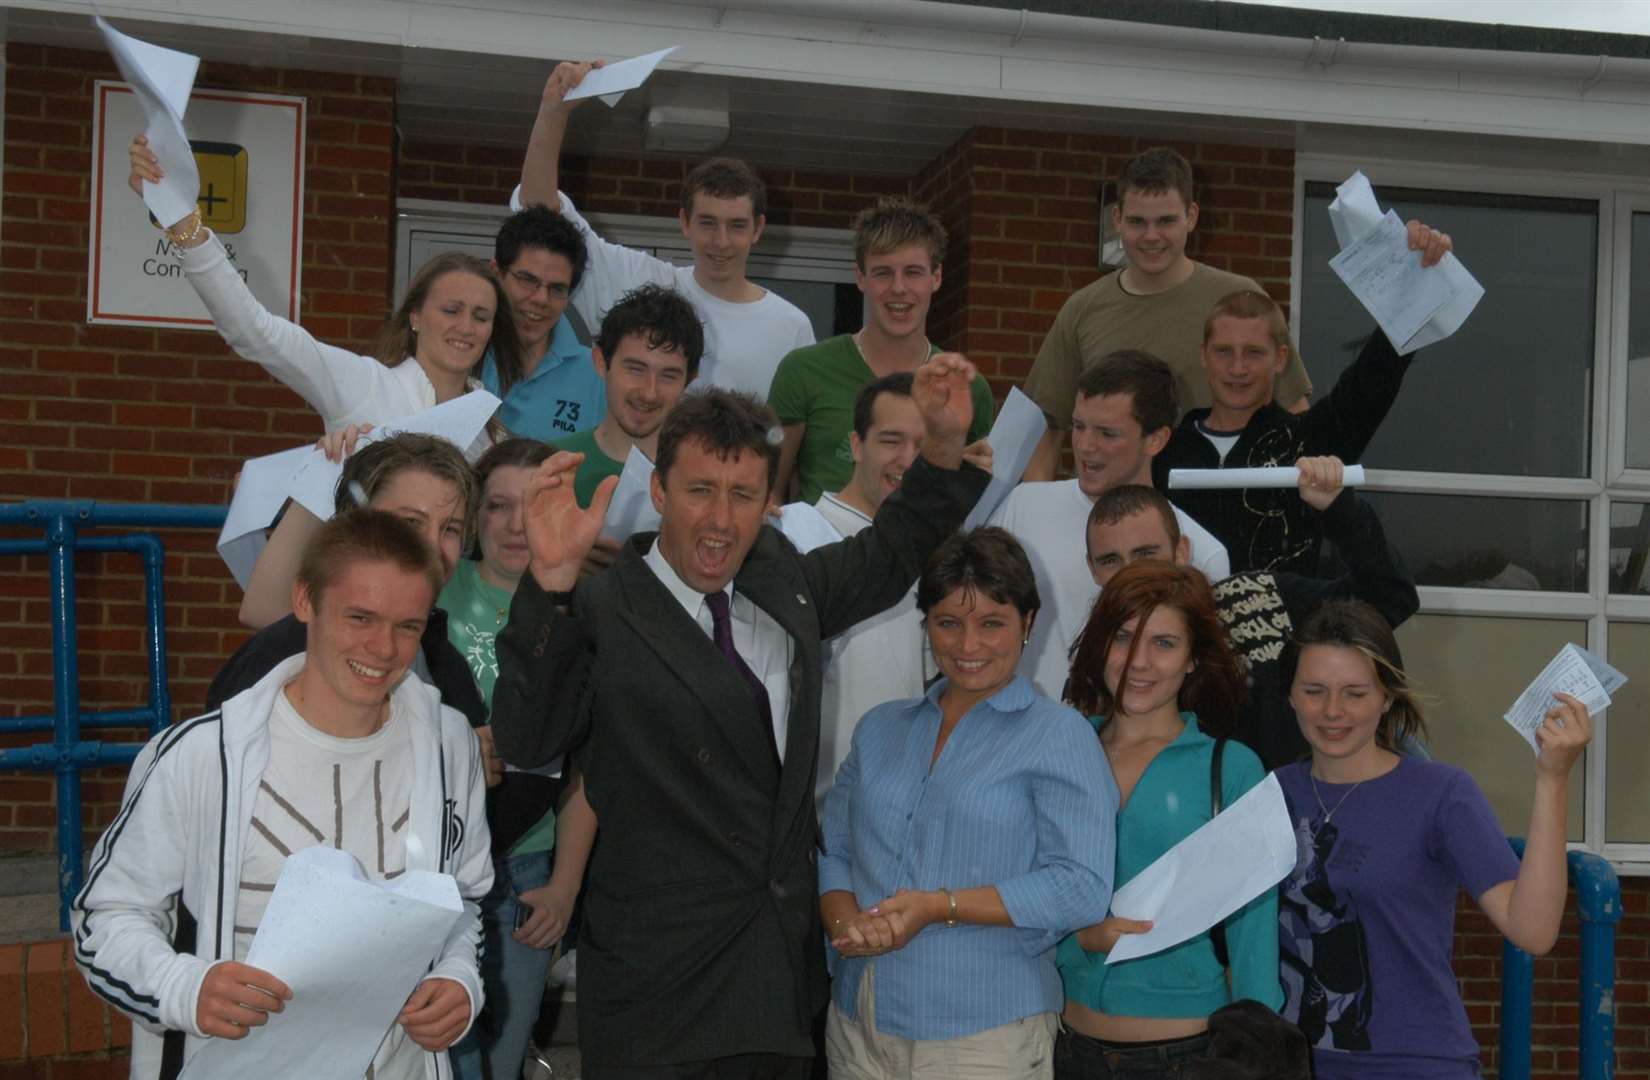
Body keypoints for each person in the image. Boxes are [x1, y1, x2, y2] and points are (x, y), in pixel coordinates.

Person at [489, 365, 991, 1077]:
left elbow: (892, 549)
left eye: (743, 495)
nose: (721, 519)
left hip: (779, 981)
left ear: (767, 502)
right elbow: (528, 739)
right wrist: (548, 585)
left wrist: (941, 450)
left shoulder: (784, 583)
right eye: (700, 490)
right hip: (657, 992)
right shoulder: (600, 608)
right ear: (659, 491)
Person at [74, 510, 493, 1080]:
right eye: (360, 617)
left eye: (408, 626)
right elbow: (105, 918)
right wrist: (183, 987)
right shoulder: (199, 756)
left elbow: (463, 899)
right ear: (304, 601)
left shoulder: (451, 745)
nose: (383, 648)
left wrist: (459, 979)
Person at [819, 527, 1116, 1079]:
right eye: (948, 622)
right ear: (926, 622)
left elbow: (1081, 887)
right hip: (857, 1024)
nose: (968, 645)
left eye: (992, 623)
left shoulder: (1060, 735)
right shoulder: (880, 728)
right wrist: (846, 924)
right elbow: (833, 848)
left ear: (1029, 623)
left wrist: (940, 906)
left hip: (985, 1037)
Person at [1275, 600, 1591, 1079]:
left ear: (1387, 697)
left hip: (1417, 1063)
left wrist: (1553, 780)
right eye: (1314, 690)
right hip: (1289, 1063)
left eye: (1356, 693)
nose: (1333, 711)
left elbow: (1534, 929)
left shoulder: (1441, 793)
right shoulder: (1266, 792)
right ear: (1290, 695)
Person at [128, 135, 524, 434]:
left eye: (481, 316)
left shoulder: (493, 433)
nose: (466, 327)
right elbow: (252, 330)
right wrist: (179, 219)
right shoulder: (364, 385)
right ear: (415, 317)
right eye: (451, 310)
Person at [1055, 561, 1281, 1079]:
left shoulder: (1232, 767)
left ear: (1194, 658)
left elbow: (1253, 930)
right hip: (1062, 1048)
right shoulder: (1059, 750)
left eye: (1164, 643)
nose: (1138, 661)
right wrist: (1078, 941)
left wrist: (1260, 1057)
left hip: (1185, 1056)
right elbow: (1022, 887)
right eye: (1124, 637)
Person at [1151, 221, 1451, 576]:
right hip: (1181, 628)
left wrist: (1419, 273)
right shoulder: (1163, 449)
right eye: (1223, 351)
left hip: (1284, 627)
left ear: (1280, 359)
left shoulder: (1310, 442)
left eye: (1253, 353)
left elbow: (1374, 378)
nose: (1237, 367)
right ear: (1203, 355)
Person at [1086, 461, 1419, 769]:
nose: (1134, 571)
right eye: (1110, 560)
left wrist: (1340, 511)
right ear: (1092, 570)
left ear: (1181, 552)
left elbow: (1389, 596)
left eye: (1147, 553)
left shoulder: (1260, 598)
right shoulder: (1099, 663)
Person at [440, 438, 598, 1080]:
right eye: (498, 506)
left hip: (527, 868)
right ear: (474, 516)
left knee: (500, 1061)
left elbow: (593, 762)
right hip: (435, 862)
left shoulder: (588, 612)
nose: (515, 524)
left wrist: (565, 883)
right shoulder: (434, 592)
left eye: (532, 506)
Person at [515, 61, 813, 397]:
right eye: (707, 223)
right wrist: (554, 113)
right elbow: (539, 215)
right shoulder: (640, 282)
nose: (721, 241)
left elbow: (791, 436)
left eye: (737, 226)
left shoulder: (791, 327)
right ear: (684, 222)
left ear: (758, 229)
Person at [1022, 146, 1312, 481]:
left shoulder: (1240, 299)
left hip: (1221, 510)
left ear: (1191, 216)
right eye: (1136, 222)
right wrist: (1037, 515)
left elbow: (1296, 414)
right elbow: (1045, 430)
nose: (1151, 236)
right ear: (1116, 219)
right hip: (1111, 519)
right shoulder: (1082, 309)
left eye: (1166, 221)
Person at [208, 433, 486, 731]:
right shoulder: (279, 660)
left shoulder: (451, 670)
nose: (432, 545)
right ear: (354, 522)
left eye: (451, 529)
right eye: (410, 523)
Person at [992, 350, 1228, 700]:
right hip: (1023, 739)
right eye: (1079, 426)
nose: (1086, 446)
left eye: (1107, 433)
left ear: (1156, 439)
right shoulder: (1023, 506)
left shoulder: (1204, 553)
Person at [768, 196, 994, 502]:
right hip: (821, 547)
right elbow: (767, 494)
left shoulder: (963, 387)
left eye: (913, 272)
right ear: (861, 278)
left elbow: (977, 501)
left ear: (936, 277)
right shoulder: (804, 370)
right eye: (883, 272)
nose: (898, 288)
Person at [547, 283, 704, 508]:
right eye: (635, 369)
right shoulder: (551, 465)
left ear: (690, 379)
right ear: (601, 362)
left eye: (668, 376)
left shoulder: (706, 480)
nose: (649, 393)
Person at [483, 205, 606, 441]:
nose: (541, 299)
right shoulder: (463, 352)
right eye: (527, 280)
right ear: (496, 274)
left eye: (557, 289)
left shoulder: (597, 376)